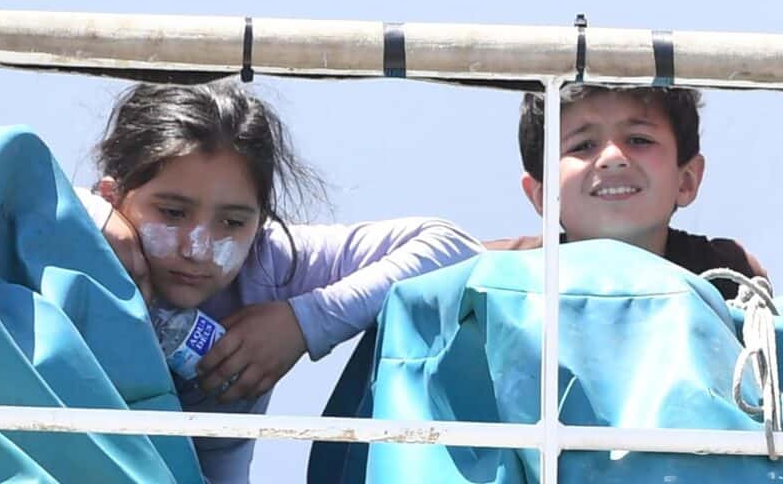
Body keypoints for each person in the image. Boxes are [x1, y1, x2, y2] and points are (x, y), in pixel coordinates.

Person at [76, 78, 483, 483]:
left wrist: (304, 322)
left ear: (259, 221)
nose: (198, 248)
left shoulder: (269, 262)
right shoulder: (73, 235)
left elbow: (453, 247)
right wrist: (93, 217)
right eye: (172, 213)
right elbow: (16, 178)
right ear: (114, 195)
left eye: (232, 222)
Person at [485, 84, 768, 298]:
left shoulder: (730, 276)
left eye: (638, 139)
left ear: (687, 180)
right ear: (542, 195)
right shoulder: (491, 274)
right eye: (582, 145)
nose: (613, 157)